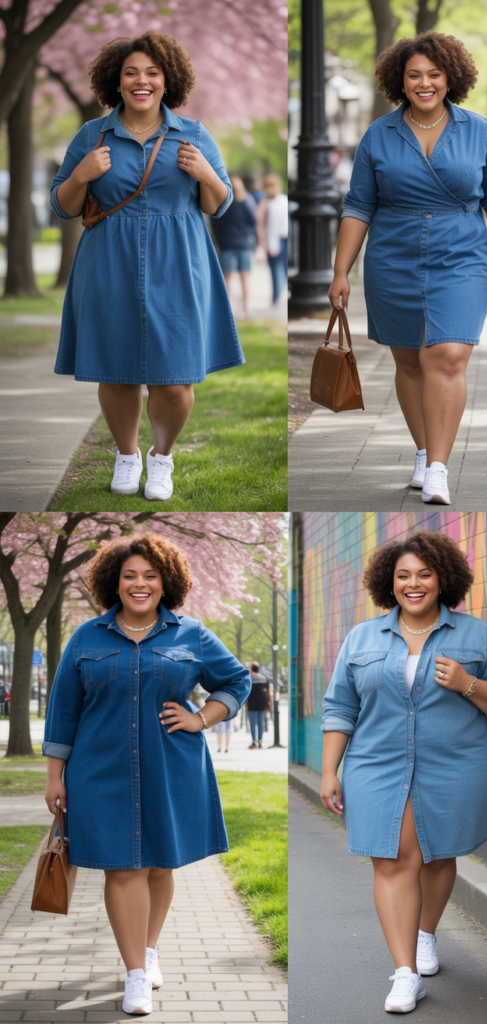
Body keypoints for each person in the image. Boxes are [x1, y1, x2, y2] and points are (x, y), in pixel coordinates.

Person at [43, 532, 250, 1016]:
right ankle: (135, 973)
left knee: (159, 864)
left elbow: (236, 680)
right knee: (125, 866)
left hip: (172, 766)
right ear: (113, 583)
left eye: (150, 576)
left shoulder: (192, 634)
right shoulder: (86, 637)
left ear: (166, 582)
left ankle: (149, 948)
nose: (139, 584)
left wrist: (201, 717)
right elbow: (63, 711)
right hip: (99, 771)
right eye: (129, 575)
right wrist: (55, 776)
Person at [320, 530, 487, 1015]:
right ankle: (405, 973)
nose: (413, 584)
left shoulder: (475, 634)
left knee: (435, 856)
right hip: (375, 765)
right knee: (390, 860)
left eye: (424, 574)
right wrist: (330, 772)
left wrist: (469, 683)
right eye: (403, 575)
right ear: (388, 583)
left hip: (452, 764)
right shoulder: (362, 637)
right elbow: (339, 708)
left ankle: (425, 933)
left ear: (442, 578)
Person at [328, 32, 487, 506]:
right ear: (400, 79)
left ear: (450, 77)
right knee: (409, 360)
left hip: (462, 255)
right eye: (414, 74)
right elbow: (358, 206)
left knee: (449, 355)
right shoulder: (379, 133)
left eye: (434, 74)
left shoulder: (478, 130)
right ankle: (422, 449)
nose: (424, 83)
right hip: (392, 255)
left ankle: (438, 467)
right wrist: (340, 272)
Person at [50, 33, 245, 502]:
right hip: (108, 262)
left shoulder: (194, 134)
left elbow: (220, 206)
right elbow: (62, 205)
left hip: (178, 261)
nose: (142, 81)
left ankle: (161, 457)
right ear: (115, 82)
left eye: (152, 72)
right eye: (131, 72)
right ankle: (126, 455)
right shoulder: (90, 136)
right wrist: (82, 174)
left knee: (175, 381)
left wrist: (207, 176)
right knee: (116, 373)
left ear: (168, 80)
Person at [210, 175, 258, 319]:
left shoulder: (222, 203)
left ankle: (228, 308)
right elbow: (253, 222)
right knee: (245, 277)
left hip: (227, 244)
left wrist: (219, 240)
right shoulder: (246, 201)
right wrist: (247, 235)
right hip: (243, 244)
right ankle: (247, 308)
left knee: (227, 277)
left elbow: (215, 223)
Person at [257, 174, 288, 306]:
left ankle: (280, 293)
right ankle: (276, 296)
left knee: (285, 269)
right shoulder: (264, 203)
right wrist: (264, 244)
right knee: (275, 270)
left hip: (284, 237)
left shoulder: (283, 200)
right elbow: (260, 225)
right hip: (273, 239)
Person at [247, 661, 270, 748]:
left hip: (251, 704)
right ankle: (260, 741)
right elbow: (267, 691)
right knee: (261, 723)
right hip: (262, 704)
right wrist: (269, 702)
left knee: (253, 723)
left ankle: (254, 741)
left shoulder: (249, 679)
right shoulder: (264, 678)